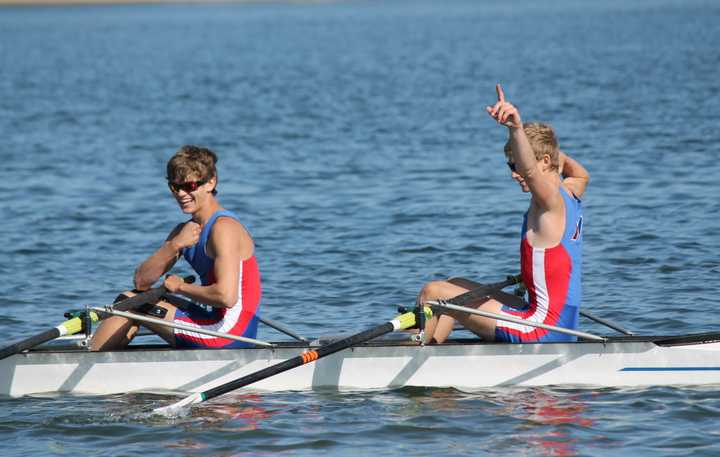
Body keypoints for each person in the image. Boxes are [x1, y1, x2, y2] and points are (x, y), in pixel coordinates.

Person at [417, 84, 589, 344]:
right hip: (560, 321)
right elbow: (580, 172)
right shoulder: (572, 189)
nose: (514, 172)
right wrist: (549, 149)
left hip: (541, 327)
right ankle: (431, 350)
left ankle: (407, 353)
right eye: (511, 165)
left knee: (433, 292)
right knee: (455, 284)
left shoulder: (550, 201)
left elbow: (532, 173)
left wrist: (516, 129)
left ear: (542, 162)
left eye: (517, 164)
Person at [90, 145, 261, 350]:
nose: (181, 194)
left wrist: (180, 287)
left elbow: (226, 296)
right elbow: (141, 281)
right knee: (133, 299)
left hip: (232, 333)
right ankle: (103, 361)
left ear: (210, 182)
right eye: (174, 187)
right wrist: (175, 244)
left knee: (130, 303)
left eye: (188, 186)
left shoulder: (224, 228)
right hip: (215, 322)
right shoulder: (183, 232)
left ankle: (87, 359)